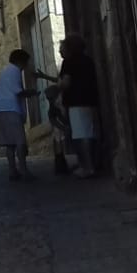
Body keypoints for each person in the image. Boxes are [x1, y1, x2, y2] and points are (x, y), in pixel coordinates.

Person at [58, 37, 101, 178]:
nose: (60, 51)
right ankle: (91, 164)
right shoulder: (88, 60)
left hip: (76, 102)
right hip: (90, 100)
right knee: (90, 133)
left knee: (81, 136)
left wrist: (57, 87)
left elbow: (66, 83)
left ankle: (87, 167)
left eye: (62, 48)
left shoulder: (69, 62)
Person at [0, 49, 38, 181]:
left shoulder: (5, 71)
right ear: (21, 61)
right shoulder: (15, 71)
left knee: (9, 143)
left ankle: (12, 170)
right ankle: (24, 170)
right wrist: (31, 92)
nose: (26, 66)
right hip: (11, 108)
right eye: (26, 62)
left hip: (1, 108)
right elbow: (18, 92)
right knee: (19, 142)